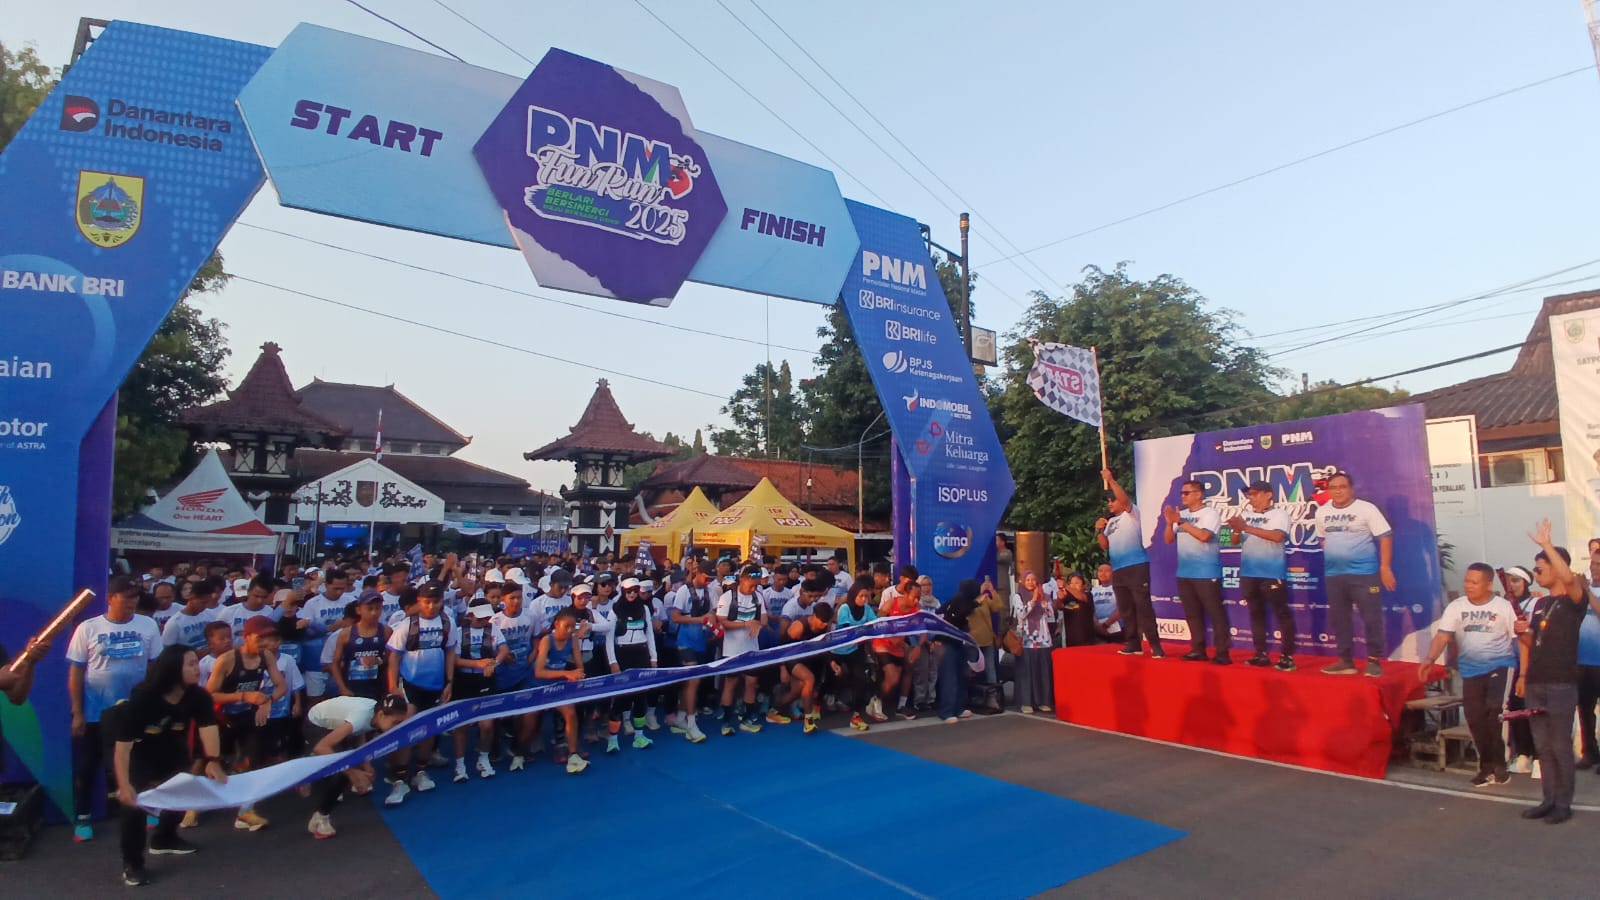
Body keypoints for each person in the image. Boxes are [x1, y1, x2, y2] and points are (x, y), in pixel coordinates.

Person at [110, 646, 228, 887]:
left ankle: (164, 838)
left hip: (170, 742)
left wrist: (213, 761)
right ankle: (132, 863)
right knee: (133, 804)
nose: (197, 669)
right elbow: (122, 747)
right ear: (173, 669)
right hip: (135, 747)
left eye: (197, 663)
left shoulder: (198, 696)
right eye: (191, 664)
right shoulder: (144, 696)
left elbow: (208, 728)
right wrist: (124, 784)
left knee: (182, 786)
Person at [67, 575, 163, 842]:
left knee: (140, 762)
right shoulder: (88, 628)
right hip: (97, 711)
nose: (132, 602)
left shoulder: (148, 625)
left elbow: (155, 667)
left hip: (134, 710)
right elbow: (76, 672)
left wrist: (153, 701)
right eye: (126, 597)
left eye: (135, 597)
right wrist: (77, 712)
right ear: (111, 598)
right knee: (88, 766)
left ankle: (146, 807)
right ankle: (83, 816)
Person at [1519, 520, 1595, 824]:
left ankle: (1564, 803)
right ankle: (1548, 799)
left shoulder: (1575, 600)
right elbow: (1533, 642)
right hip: (1536, 682)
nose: (1536, 572)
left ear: (1557, 566)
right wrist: (1522, 633)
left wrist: (1547, 545)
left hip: (1561, 684)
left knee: (1561, 745)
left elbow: (1569, 578)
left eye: (1541, 567)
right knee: (1543, 746)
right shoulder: (1542, 604)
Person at [1418, 562, 1517, 787]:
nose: (1469, 585)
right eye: (1467, 581)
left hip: (1500, 666)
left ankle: (1500, 763)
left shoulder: (1503, 607)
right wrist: (1429, 659)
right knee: (1475, 718)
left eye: (1474, 582)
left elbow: (1517, 639)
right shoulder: (1456, 607)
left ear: (1488, 584)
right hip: (1471, 670)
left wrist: (1524, 673)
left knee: (1494, 711)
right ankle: (1486, 766)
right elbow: (1442, 637)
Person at [205, 615, 287, 832]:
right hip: (222, 718)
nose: (264, 644)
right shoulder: (227, 660)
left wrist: (267, 701)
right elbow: (209, 695)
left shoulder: (266, 656)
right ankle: (192, 805)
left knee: (255, 758)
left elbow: (281, 685)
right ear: (246, 637)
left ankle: (245, 811)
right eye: (260, 639)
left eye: (268, 639)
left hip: (248, 715)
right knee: (211, 762)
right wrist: (243, 696)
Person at [384, 582, 459, 805]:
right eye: (427, 602)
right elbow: (394, 657)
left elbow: (450, 653)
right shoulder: (406, 625)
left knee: (428, 730)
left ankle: (420, 771)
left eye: (436, 602)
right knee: (407, 731)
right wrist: (393, 687)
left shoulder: (448, 622)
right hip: (410, 684)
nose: (431, 606)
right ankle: (399, 779)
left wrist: (449, 682)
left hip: (435, 685)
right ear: (419, 601)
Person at [1314, 471, 1395, 676]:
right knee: (1340, 619)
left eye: (1342, 487)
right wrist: (1338, 556)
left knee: (1371, 618)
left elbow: (1385, 537)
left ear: (1351, 489)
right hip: (1334, 575)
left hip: (1364, 574)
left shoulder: (1366, 509)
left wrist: (1385, 568)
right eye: (1333, 488)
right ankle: (1346, 661)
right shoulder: (1322, 512)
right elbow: (1322, 539)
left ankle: (1374, 660)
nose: (1338, 491)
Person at [303, 693, 409, 839]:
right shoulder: (360, 717)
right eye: (396, 722)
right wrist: (352, 773)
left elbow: (360, 733)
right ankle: (320, 818)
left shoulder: (373, 716)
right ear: (381, 715)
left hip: (336, 723)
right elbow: (321, 747)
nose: (398, 728)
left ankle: (313, 766)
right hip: (315, 723)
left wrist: (367, 765)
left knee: (348, 764)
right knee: (342, 772)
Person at [1229, 480, 1296, 670]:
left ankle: (1287, 657)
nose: (1251, 497)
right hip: (1249, 573)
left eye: (1255, 493)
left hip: (1272, 572)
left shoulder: (1279, 514)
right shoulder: (1245, 515)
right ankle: (1261, 654)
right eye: (1249, 494)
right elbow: (1233, 541)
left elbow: (1277, 536)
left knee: (1281, 613)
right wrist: (1236, 529)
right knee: (1255, 613)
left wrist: (1246, 528)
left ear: (1268, 495)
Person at [1098, 469, 1164, 657]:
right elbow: (1104, 545)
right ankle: (1134, 643)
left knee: (1143, 606)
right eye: (1108, 501)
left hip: (1136, 566)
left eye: (1113, 500)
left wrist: (1111, 480)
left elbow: (1124, 499)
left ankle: (1155, 645)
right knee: (1126, 608)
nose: (1110, 504)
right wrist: (1099, 530)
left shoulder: (1132, 513)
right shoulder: (1110, 522)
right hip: (1118, 569)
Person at [1164, 479, 1228, 664]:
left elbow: (1204, 536)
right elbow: (1168, 540)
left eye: (1187, 493)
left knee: (1215, 614)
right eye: (1182, 493)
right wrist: (1169, 523)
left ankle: (1222, 653)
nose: (1183, 496)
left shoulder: (1210, 513)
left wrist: (1180, 522)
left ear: (1199, 494)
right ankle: (1198, 650)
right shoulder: (1181, 514)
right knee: (1192, 614)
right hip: (1185, 572)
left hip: (1207, 572)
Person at [451, 602, 506, 782]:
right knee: (462, 725)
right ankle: (460, 764)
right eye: (480, 617)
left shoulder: (493, 629)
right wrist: (477, 664)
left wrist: (494, 663)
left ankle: (483, 758)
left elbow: (504, 650)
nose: (484, 620)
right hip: (464, 681)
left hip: (486, 681)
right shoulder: (458, 632)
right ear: (470, 615)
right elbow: (454, 660)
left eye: (486, 617)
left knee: (487, 724)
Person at [604, 577, 658, 753]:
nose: (633, 594)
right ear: (623, 591)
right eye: (629, 591)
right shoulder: (615, 610)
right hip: (623, 655)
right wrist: (613, 662)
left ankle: (639, 736)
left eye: (635, 591)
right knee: (621, 699)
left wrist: (653, 658)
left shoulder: (644, 609)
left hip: (641, 655)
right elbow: (609, 639)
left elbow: (650, 634)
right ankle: (613, 739)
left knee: (641, 697)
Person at [534, 609, 590, 774]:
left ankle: (572, 753)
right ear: (556, 624)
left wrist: (579, 675)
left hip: (559, 685)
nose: (570, 630)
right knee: (528, 725)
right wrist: (567, 674)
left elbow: (579, 665)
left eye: (573, 627)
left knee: (571, 711)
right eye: (567, 626)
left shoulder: (573, 640)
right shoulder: (546, 640)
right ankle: (519, 750)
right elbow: (538, 672)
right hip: (539, 686)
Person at [715, 565, 768, 736]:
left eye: (756, 586)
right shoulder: (727, 597)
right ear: (742, 580)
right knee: (731, 683)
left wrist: (758, 625)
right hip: (732, 649)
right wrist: (746, 624)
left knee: (751, 683)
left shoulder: (758, 597)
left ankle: (747, 719)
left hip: (752, 648)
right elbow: (722, 622)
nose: (753, 589)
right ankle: (726, 721)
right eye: (751, 585)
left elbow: (764, 619)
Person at [668, 566, 715, 743]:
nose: (708, 581)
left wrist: (713, 622)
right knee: (693, 681)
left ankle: (680, 717)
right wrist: (698, 619)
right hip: (685, 640)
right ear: (698, 573)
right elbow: (675, 617)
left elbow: (713, 612)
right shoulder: (683, 590)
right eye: (706, 577)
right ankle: (691, 723)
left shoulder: (711, 591)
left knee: (691, 682)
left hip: (702, 640)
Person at [1501, 565, 1540, 774]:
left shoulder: (1535, 604)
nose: (1512, 585)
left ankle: (1538, 755)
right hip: (1510, 664)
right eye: (1509, 580)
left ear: (1526, 583)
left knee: (1533, 709)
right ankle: (1522, 753)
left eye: (1516, 580)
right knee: (1515, 708)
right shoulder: (1505, 605)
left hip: (1533, 663)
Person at [778, 602, 834, 734]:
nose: (824, 625)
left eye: (826, 622)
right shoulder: (798, 627)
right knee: (809, 679)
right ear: (814, 616)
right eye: (822, 622)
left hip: (805, 658)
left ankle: (775, 708)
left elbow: (824, 647)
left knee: (797, 691)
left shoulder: (825, 627)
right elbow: (782, 647)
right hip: (790, 657)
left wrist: (832, 662)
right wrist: (782, 668)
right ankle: (808, 720)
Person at [829, 583, 878, 731]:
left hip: (855, 650)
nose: (864, 599)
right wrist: (863, 631)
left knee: (860, 680)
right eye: (861, 596)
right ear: (853, 595)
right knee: (831, 680)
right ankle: (818, 704)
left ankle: (856, 716)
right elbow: (847, 631)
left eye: (866, 596)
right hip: (838, 650)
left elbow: (875, 624)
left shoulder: (867, 609)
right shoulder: (844, 608)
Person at [1010, 571, 1057, 714]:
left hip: (1043, 638)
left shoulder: (1045, 595)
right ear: (1023, 581)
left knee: (1042, 671)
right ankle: (1026, 702)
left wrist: (1043, 601)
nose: (1031, 582)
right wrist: (1033, 601)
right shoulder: (1018, 596)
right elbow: (1021, 614)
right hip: (1026, 639)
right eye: (1028, 580)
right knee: (1026, 671)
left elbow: (1050, 615)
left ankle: (1042, 701)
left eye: (1033, 580)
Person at [936, 580, 982, 724]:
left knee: (961, 675)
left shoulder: (964, 601)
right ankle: (946, 711)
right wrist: (975, 603)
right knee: (949, 677)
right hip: (947, 642)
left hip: (960, 642)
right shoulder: (957, 602)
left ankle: (959, 708)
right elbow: (955, 615)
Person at [330, 592, 389, 701]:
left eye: (378, 608)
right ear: (359, 610)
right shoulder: (346, 634)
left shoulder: (386, 631)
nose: (374, 613)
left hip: (378, 689)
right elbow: (335, 663)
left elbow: (391, 660)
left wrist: (378, 660)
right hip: (352, 689)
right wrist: (342, 688)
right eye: (369, 609)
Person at [160, 576, 220, 652]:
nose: (205, 606)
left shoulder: (210, 615)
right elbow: (168, 652)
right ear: (191, 597)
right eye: (203, 602)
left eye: (207, 602)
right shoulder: (174, 623)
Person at [1055, 572, 1097, 648]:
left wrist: (1066, 586)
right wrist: (1059, 598)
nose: (1073, 585)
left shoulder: (1088, 595)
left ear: (1084, 585)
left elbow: (1081, 597)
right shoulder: (1067, 598)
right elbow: (1059, 606)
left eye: (1077, 583)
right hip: (1070, 641)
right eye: (1071, 583)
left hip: (1086, 640)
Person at [1089, 564, 1122, 644]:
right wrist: (1097, 625)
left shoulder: (1119, 588)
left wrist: (1106, 624)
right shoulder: (1093, 590)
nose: (1103, 574)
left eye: (1106, 571)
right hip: (1098, 630)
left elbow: (1121, 608)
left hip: (1116, 629)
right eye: (1100, 571)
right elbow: (1091, 609)